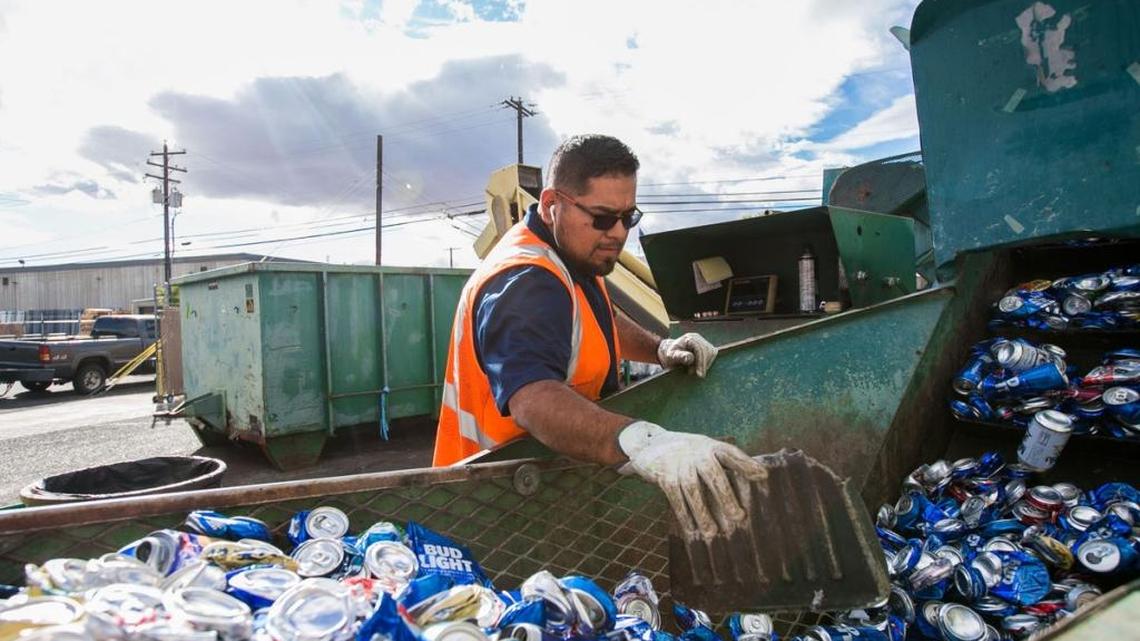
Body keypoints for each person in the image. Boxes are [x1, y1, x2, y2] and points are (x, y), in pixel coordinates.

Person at [433, 134, 765, 541]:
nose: (618, 233)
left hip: (543, 484)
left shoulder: (570, 256)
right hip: (495, 505)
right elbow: (532, 399)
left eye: (629, 217)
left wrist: (659, 348)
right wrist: (641, 442)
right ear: (554, 204)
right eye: (604, 217)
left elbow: (599, 318)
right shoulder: (526, 281)